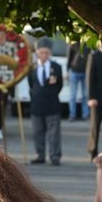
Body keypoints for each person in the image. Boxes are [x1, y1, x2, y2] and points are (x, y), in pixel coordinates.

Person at [28, 37, 63, 165]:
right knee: (37, 132)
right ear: (37, 52)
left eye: (46, 52)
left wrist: (51, 94)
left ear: (50, 53)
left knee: (54, 133)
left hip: (52, 104)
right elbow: (31, 84)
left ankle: (55, 156)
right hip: (37, 105)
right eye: (41, 52)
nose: (44, 55)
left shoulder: (56, 67)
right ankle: (40, 155)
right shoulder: (32, 68)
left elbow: (60, 85)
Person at [66, 40, 90, 121]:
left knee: (85, 95)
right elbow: (69, 56)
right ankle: (72, 115)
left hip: (85, 72)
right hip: (74, 71)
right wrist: (67, 71)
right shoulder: (74, 42)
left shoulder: (89, 43)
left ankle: (85, 115)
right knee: (73, 95)